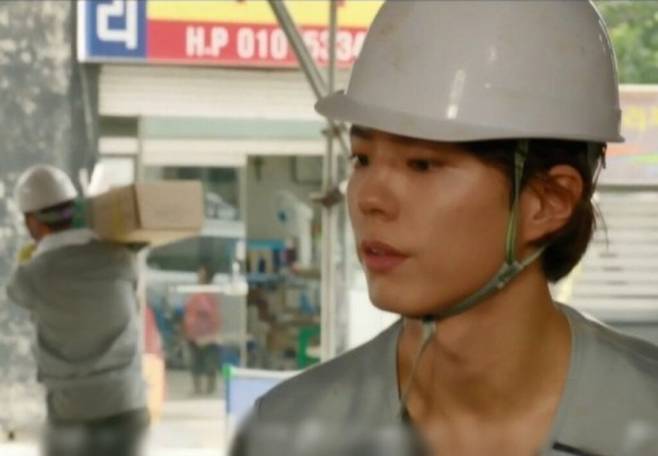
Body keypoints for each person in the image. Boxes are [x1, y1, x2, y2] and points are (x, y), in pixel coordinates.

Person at [231, 2, 658, 456]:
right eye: (362, 158)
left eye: (422, 164)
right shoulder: (288, 431)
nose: (369, 199)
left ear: (548, 201)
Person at [6, 165, 148, 456]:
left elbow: (16, 292)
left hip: (72, 413)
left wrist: (31, 257)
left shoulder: (31, 276)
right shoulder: (120, 258)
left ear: (32, 223)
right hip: (127, 406)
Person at [183, 263, 221, 395]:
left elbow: (213, 315)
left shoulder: (210, 294)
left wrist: (212, 333)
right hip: (193, 334)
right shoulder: (196, 293)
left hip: (207, 335)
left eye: (201, 275)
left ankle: (210, 387)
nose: (199, 277)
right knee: (195, 362)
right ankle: (197, 388)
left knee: (210, 362)